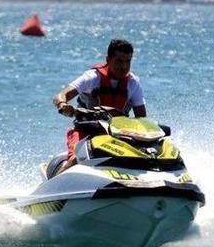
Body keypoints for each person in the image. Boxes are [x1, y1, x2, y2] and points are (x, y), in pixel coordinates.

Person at [52, 39, 147, 170]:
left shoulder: (133, 83)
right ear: (108, 60)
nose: (124, 67)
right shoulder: (92, 78)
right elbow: (61, 95)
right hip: (86, 131)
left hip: (117, 135)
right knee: (76, 159)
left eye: (128, 62)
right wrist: (62, 104)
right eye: (119, 61)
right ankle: (57, 183)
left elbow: (141, 119)